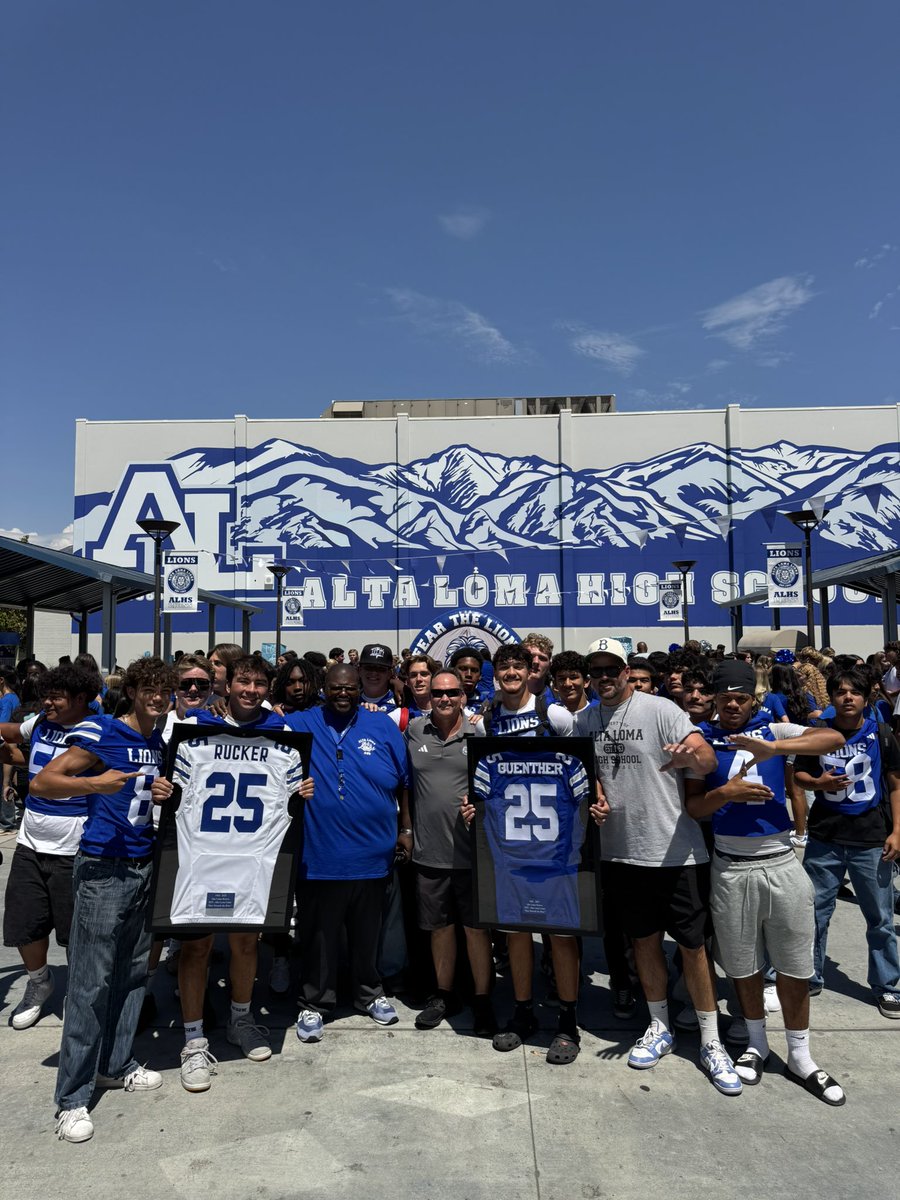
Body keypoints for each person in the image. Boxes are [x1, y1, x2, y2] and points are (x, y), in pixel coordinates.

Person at [575, 639, 738, 1095]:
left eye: (611, 669)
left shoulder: (662, 709)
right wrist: (595, 796)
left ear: (627, 671)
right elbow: (586, 774)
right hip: (620, 852)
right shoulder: (585, 720)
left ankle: (711, 1040)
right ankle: (660, 1025)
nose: (604, 677)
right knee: (643, 942)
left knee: (692, 948)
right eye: (596, 670)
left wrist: (692, 757)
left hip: (675, 852)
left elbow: (705, 756)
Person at [685, 659, 847, 1104]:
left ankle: (801, 1055)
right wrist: (726, 793)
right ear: (714, 700)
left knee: (794, 963)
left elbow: (833, 737)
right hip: (730, 865)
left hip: (779, 859)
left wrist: (773, 749)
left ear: (752, 699)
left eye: (740, 698)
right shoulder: (703, 738)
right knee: (743, 964)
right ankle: (756, 1043)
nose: (732, 705)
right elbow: (694, 807)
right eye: (725, 698)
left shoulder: (773, 729)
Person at [31, 656, 176, 1144]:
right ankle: (71, 1098)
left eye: (164, 690)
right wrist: (95, 782)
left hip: (142, 864)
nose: (157, 697)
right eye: (148, 689)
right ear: (131, 691)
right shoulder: (102, 731)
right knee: (90, 983)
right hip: (102, 868)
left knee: (132, 974)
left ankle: (115, 1064)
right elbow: (43, 782)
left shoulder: (156, 742)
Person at [159, 655, 304, 1088]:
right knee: (196, 946)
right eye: (244, 681)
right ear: (228, 684)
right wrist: (164, 789)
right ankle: (193, 1039)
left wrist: (303, 791)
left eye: (259, 683)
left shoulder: (283, 736)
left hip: (250, 857)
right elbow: (173, 788)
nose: (251, 690)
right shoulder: (196, 730)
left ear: (268, 689)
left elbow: (292, 797)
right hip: (202, 855)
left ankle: (240, 1018)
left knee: (245, 941)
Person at [285, 663, 409, 1041]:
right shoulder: (300, 723)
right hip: (321, 856)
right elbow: (255, 726)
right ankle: (315, 1003)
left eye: (350, 688)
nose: (343, 694)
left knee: (367, 934)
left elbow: (404, 782)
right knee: (319, 938)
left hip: (374, 856)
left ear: (360, 690)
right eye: (336, 688)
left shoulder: (382, 725)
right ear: (324, 687)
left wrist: (405, 830)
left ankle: (369, 993)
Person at [794, 665, 900, 1019]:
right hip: (825, 836)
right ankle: (810, 974)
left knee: (880, 918)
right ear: (832, 697)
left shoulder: (882, 734)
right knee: (814, 912)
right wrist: (818, 783)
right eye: (840, 692)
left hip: (871, 838)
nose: (848, 698)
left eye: (855, 692)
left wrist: (897, 831)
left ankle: (887, 985)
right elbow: (800, 775)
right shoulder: (818, 734)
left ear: (867, 697)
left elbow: (896, 784)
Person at [1, 664, 102, 1031]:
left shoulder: (97, 730)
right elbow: (13, 732)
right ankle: (40, 982)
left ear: (80, 698)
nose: (47, 702)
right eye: (46, 695)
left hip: (75, 847)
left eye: (56, 697)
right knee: (24, 923)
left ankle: (80, 992)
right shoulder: (42, 722)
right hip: (29, 842)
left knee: (76, 933)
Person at [405, 668, 495, 1034]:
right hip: (430, 852)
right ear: (429, 696)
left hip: (472, 854)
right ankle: (442, 994)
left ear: (463, 696)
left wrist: (481, 804)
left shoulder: (479, 732)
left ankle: (483, 999)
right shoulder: (414, 731)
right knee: (440, 929)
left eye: (452, 692)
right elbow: (405, 784)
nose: (444, 698)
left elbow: (496, 783)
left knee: (476, 931)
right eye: (438, 693)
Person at [358, 643, 399, 710]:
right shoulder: (349, 702)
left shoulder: (401, 703)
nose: (374, 672)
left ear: (389, 674)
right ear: (360, 671)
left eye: (381, 669)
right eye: (369, 667)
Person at [522, 633, 555, 703]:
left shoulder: (557, 703)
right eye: (531, 656)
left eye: (542, 658)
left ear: (549, 665)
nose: (536, 662)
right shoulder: (501, 701)